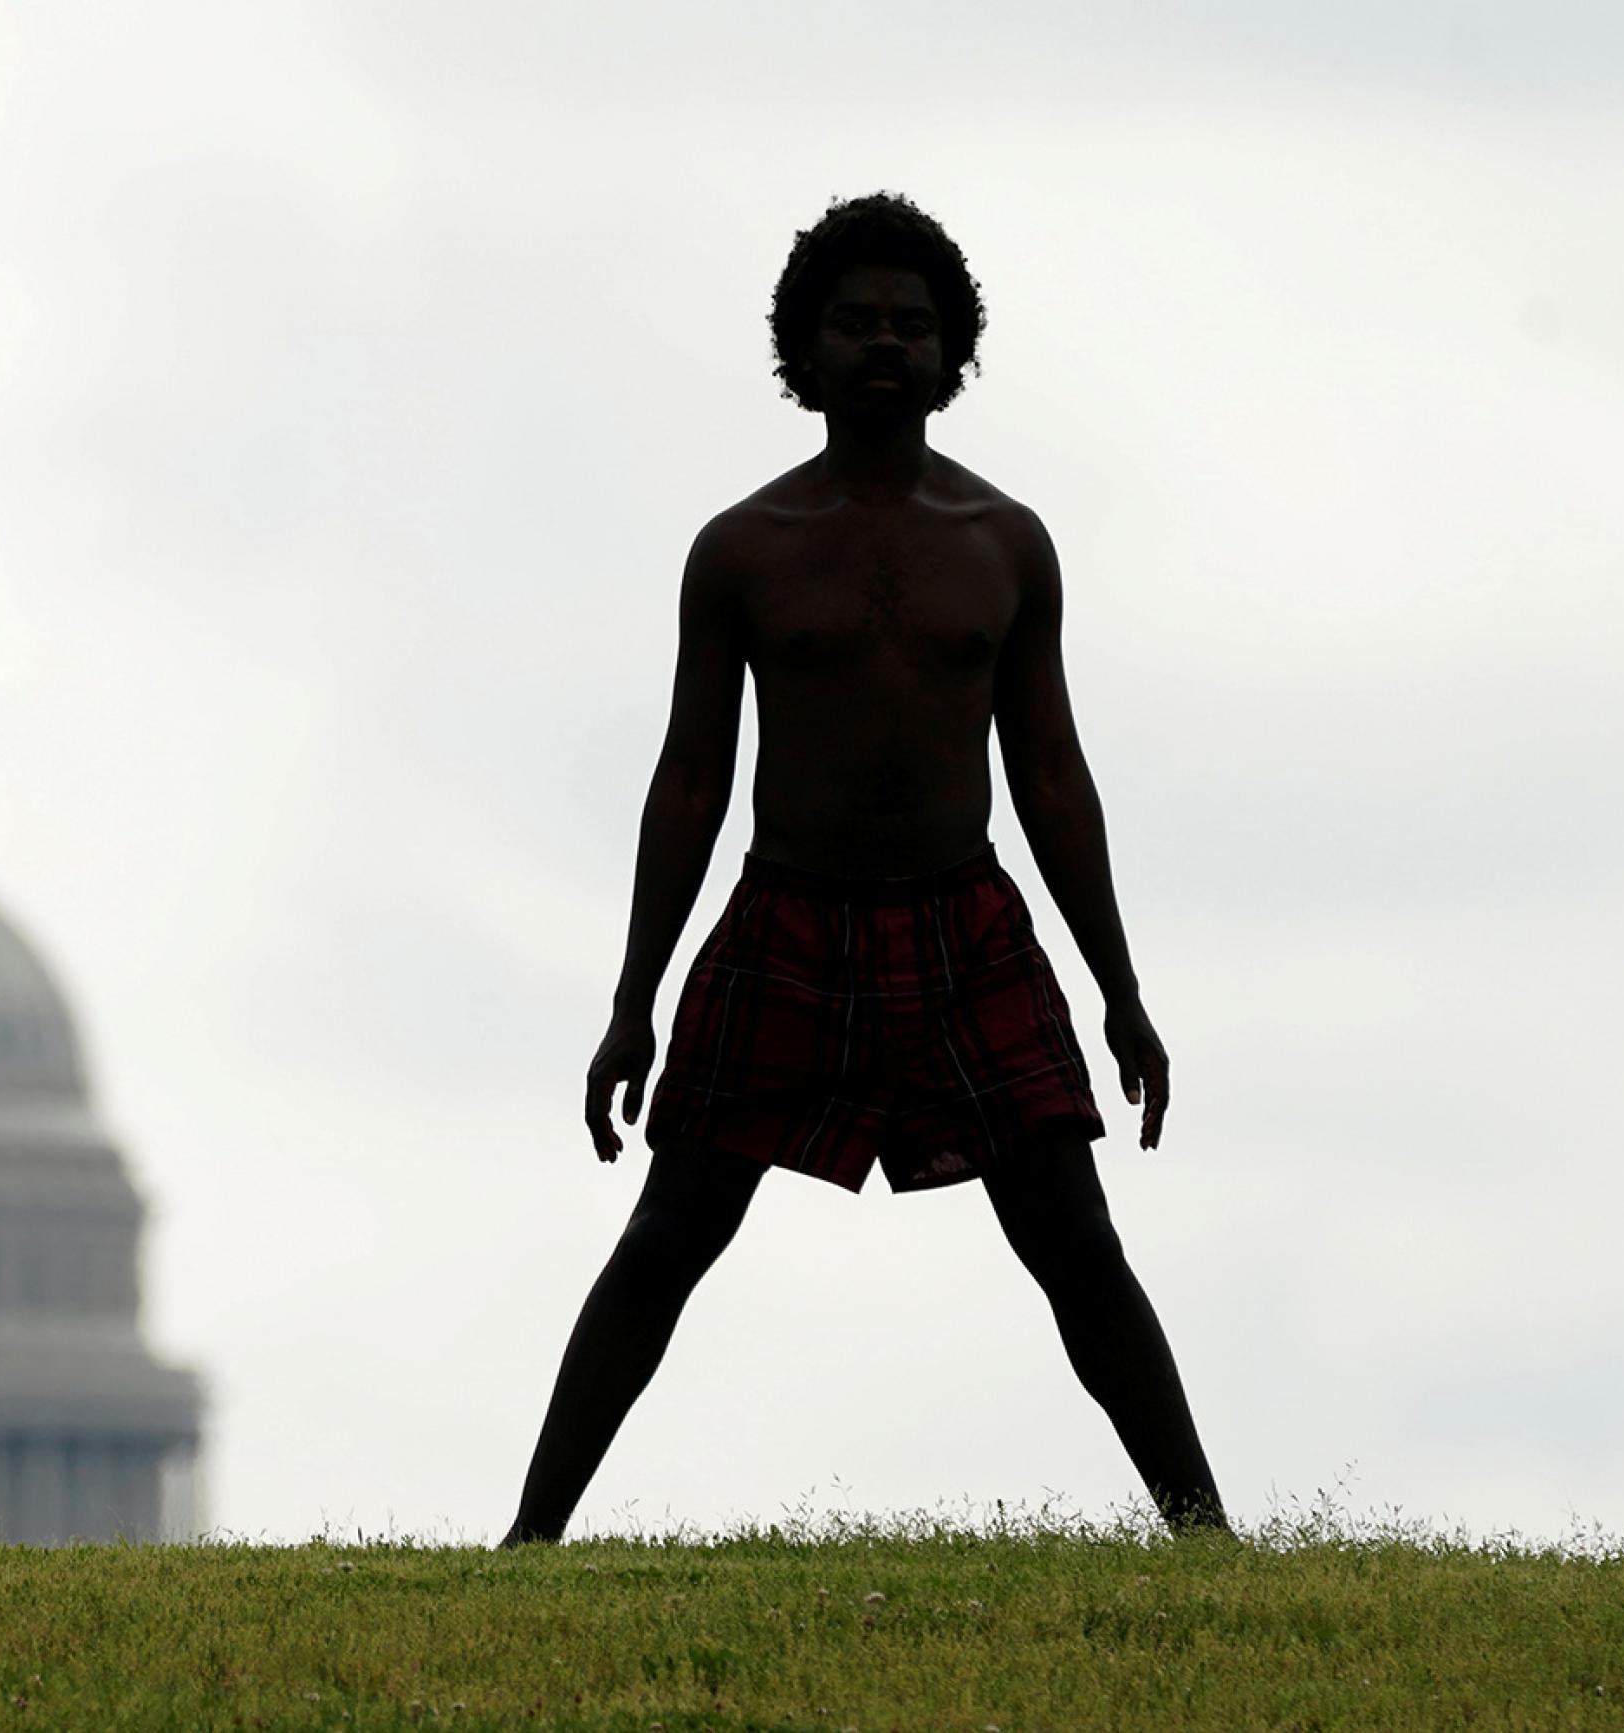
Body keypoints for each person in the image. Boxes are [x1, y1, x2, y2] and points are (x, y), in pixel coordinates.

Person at [498, 190, 1228, 1547]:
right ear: (805, 350)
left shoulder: (1005, 546)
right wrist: (632, 999)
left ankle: (1209, 1536)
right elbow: (691, 781)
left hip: (966, 925)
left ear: (954, 352)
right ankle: (528, 1540)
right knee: (666, 1240)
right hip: (789, 925)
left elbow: (1053, 775)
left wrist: (1120, 991)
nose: (885, 345)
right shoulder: (741, 552)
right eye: (857, 322)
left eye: (912, 323)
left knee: (1075, 1237)